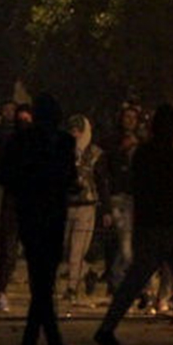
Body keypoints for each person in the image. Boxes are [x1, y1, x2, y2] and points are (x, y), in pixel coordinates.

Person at [96, 103, 173, 345]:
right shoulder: (164, 155)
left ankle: (107, 329)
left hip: (152, 225)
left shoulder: (146, 154)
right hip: (165, 226)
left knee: (138, 280)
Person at [0, 95, 76, 345]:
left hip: (36, 215)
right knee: (43, 282)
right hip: (47, 215)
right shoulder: (61, 142)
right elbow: (69, 178)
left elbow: (7, 175)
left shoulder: (23, 141)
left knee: (41, 282)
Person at [63, 114, 107, 303]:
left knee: (77, 249)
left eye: (78, 130)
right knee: (65, 247)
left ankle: (72, 288)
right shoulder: (63, 151)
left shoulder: (96, 154)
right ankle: (89, 272)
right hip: (66, 204)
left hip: (87, 205)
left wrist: (106, 209)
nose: (75, 134)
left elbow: (102, 182)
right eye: (72, 130)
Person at [0, 102, 30, 313]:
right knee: (8, 250)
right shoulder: (8, 142)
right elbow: (0, 169)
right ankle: (1, 292)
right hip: (13, 202)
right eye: (21, 120)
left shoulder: (38, 144)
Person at [102, 103, 142, 292]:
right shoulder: (112, 142)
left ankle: (119, 279)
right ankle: (122, 283)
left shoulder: (142, 142)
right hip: (119, 198)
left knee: (132, 243)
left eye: (133, 118)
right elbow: (104, 172)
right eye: (127, 117)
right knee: (125, 244)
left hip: (137, 198)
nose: (130, 121)